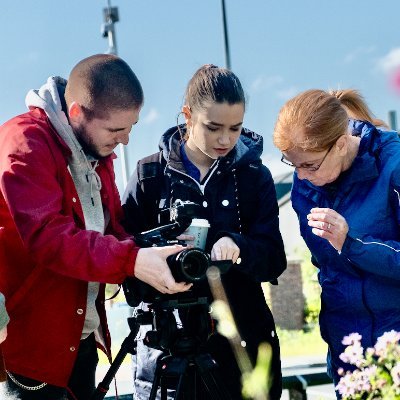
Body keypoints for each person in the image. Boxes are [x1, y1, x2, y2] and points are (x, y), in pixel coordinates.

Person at [0, 54, 191, 400]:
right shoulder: (24, 144)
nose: (126, 140)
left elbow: (111, 234)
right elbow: (49, 238)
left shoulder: (95, 150)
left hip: (80, 343)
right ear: (76, 113)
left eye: (130, 127)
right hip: (32, 352)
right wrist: (132, 260)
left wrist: (155, 250)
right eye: (116, 129)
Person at [122, 64, 287, 400]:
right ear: (187, 116)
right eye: (213, 128)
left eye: (235, 128)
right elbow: (121, 256)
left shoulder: (255, 178)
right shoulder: (149, 175)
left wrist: (237, 246)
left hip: (243, 349)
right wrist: (156, 257)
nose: (225, 139)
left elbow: (274, 260)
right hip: (167, 349)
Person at [273, 88, 400, 395]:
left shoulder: (393, 164)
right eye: (293, 165)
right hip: (348, 350)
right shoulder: (306, 186)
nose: (300, 178)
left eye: (310, 166)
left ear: (341, 143)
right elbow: (327, 269)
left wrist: (352, 243)